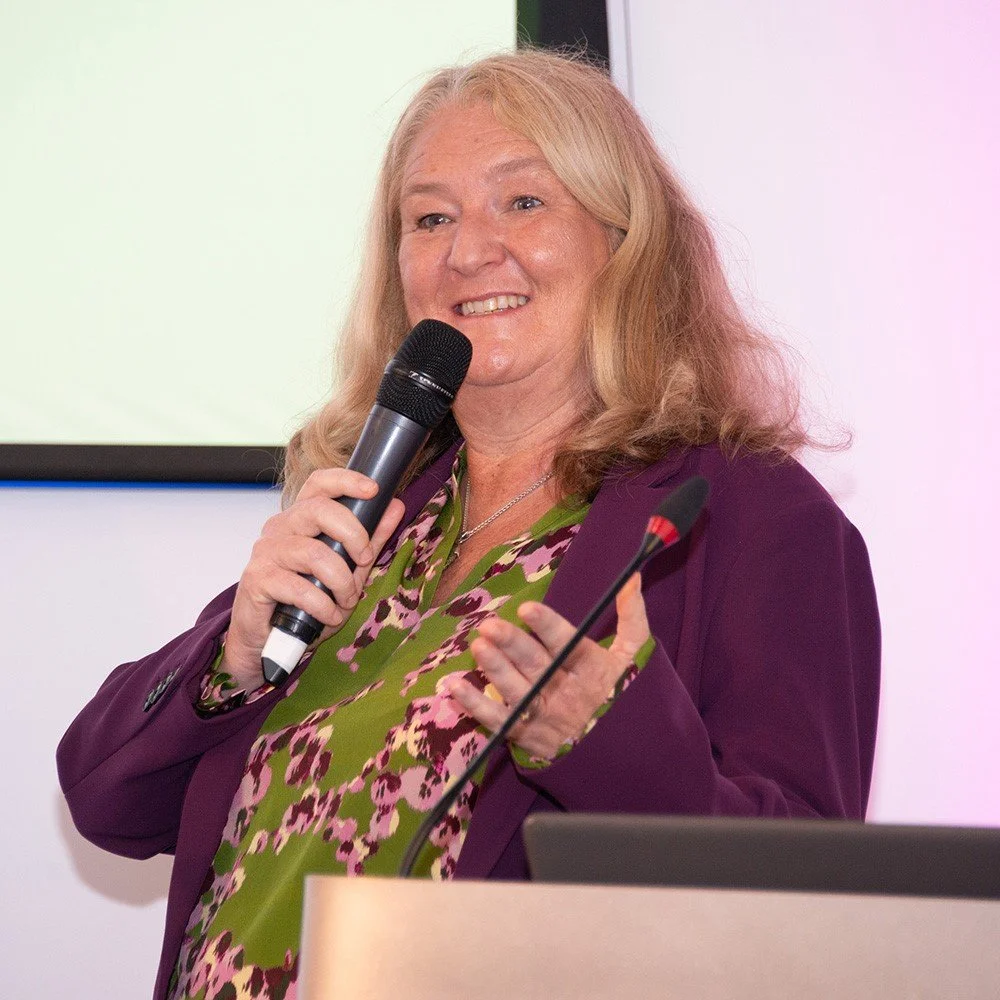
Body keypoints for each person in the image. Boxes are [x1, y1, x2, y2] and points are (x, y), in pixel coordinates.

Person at [58, 49, 880, 1000]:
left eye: (522, 203)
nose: (467, 251)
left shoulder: (747, 518)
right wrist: (228, 662)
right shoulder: (372, 507)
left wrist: (607, 742)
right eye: (431, 218)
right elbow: (105, 798)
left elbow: (809, 910)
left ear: (625, 238)